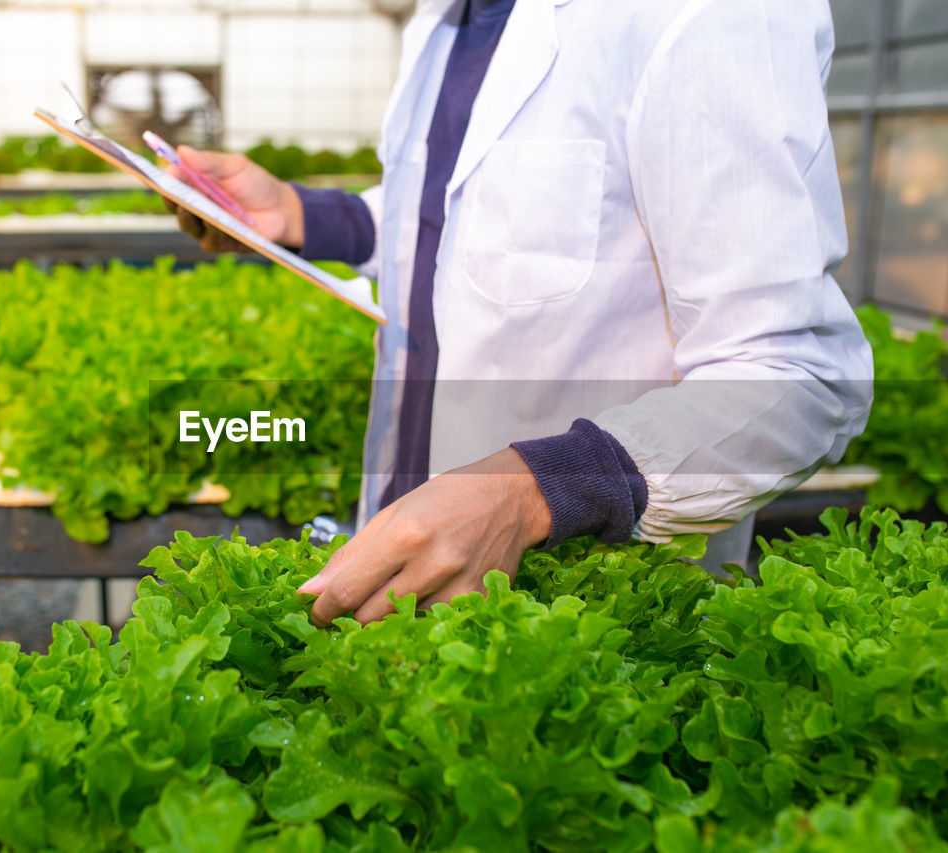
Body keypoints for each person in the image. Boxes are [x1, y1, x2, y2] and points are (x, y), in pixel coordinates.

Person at [166, 0, 873, 626]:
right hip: (411, 567)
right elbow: (464, 218)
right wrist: (302, 215)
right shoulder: (445, 20)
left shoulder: (710, 15)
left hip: (590, 627)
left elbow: (797, 377)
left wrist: (536, 491)